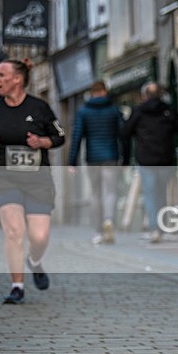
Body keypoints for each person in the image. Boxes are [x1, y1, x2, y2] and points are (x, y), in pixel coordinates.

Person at [0, 59, 66, 304]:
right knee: (14, 231)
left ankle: (34, 261)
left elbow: (60, 136)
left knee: (39, 236)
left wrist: (42, 142)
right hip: (4, 179)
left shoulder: (40, 107)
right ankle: (17, 286)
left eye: (2, 75)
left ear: (17, 79)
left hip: (37, 180)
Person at [120, 82, 178, 243]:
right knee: (162, 194)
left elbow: (125, 132)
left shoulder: (138, 111)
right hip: (165, 159)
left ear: (144, 95)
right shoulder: (168, 110)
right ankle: (161, 227)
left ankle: (154, 229)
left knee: (150, 195)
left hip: (146, 160)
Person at [67, 80, 124, 244]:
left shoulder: (83, 111)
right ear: (105, 91)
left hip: (92, 158)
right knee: (110, 192)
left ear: (92, 93)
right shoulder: (114, 110)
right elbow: (123, 135)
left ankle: (98, 231)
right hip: (111, 156)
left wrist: (72, 161)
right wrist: (126, 158)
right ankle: (109, 220)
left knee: (95, 193)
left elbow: (77, 136)